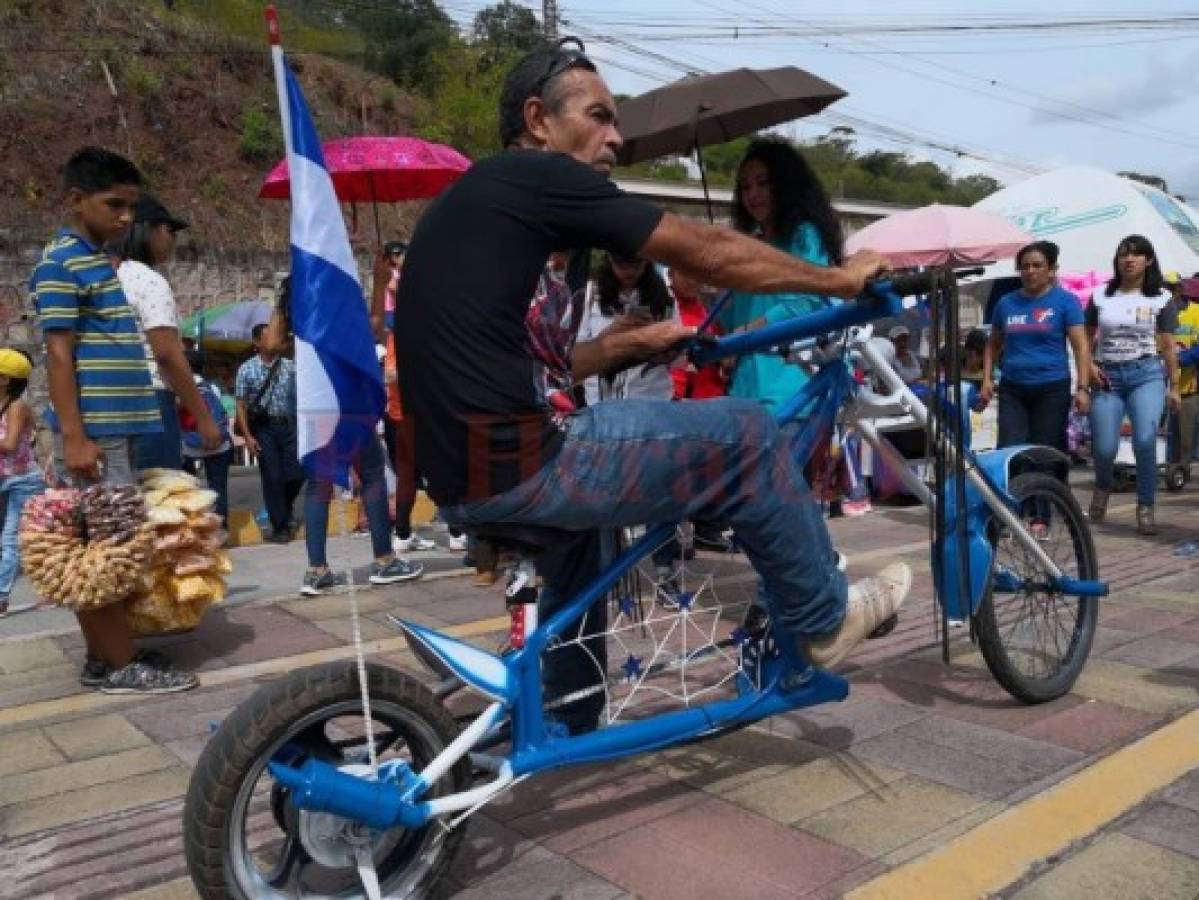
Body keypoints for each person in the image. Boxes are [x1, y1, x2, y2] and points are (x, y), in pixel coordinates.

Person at [394, 39, 910, 734]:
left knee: (583, 544)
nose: (615, 137)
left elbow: (533, 365)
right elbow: (705, 249)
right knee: (750, 434)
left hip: (467, 473)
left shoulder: (478, 202)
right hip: (526, 460)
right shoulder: (537, 177)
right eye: (599, 116)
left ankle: (569, 708)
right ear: (538, 120)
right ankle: (824, 616)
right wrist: (839, 280)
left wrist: (622, 346)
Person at [31, 147, 196, 693]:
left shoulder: (96, 261)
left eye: (130, 206)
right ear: (76, 201)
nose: (126, 217)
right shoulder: (62, 262)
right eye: (114, 205)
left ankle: (105, 656)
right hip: (96, 435)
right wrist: (75, 436)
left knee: (100, 550)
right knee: (107, 552)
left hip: (112, 431)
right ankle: (123, 666)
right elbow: (59, 354)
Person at [263, 261, 424, 596]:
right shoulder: (337, 295)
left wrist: (284, 299)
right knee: (372, 474)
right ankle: (384, 559)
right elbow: (374, 329)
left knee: (318, 484)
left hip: (312, 396)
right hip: (345, 396)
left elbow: (273, 343)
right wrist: (378, 285)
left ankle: (316, 570)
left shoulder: (300, 315)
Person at [720, 137, 844, 412]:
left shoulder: (805, 235)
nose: (753, 195)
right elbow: (732, 318)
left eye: (763, 183)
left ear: (785, 184)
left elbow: (805, 303)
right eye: (745, 187)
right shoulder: (748, 246)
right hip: (743, 390)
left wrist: (743, 333)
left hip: (791, 389)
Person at [115, 193, 223, 470]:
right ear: (147, 229)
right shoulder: (149, 281)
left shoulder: (107, 278)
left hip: (108, 401)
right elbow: (166, 354)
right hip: (151, 403)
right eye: (169, 230)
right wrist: (203, 416)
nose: (174, 239)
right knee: (160, 489)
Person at [1086, 234, 1182, 535]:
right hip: (1107, 378)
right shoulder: (1100, 295)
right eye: (1123, 254)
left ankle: (1146, 506)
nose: (1129, 260)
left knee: (1144, 440)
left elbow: (1168, 346)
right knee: (1104, 448)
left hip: (1146, 374)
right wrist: (1088, 366)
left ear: (1148, 260)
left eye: (1136, 254)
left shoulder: (1161, 298)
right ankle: (1102, 487)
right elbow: (1084, 338)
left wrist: (1175, 387)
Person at [978, 241, 1091, 459]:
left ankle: (1047, 483)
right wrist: (986, 380)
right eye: (1025, 266)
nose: (1030, 271)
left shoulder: (1066, 302)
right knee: (1009, 452)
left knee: (1046, 454)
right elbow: (992, 345)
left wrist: (1083, 388)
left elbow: (1081, 347)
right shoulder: (1005, 303)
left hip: (1052, 389)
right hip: (1013, 389)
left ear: (1051, 270)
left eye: (1037, 265)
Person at [235, 319, 304, 543]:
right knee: (272, 476)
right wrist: (248, 436)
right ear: (257, 342)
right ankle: (280, 526)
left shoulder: (290, 366)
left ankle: (283, 506)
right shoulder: (246, 369)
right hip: (264, 428)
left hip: (290, 426)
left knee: (297, 474)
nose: (275, 340)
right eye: (269, 336)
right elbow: (240, 404)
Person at [578, 252, 676, 405]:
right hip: (602, 400)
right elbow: (577, 350)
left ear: (646, 262)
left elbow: (677, 356)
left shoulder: (664, 295)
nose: (629, 271)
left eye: (636, 265)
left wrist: (656, 338)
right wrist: (611, 333)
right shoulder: (591, 293)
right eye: (621, 265)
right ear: (610, 260)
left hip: (651, 398)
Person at [0, 349, 45, 616]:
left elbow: (10, 444)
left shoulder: (17, 407)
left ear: (5, 379)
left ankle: (1, 598)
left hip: (22, 481)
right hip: (3, 478)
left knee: (11, 540)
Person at [181, 349, 233, 528]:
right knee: (218, 489)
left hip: (188, 447)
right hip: (219, 445)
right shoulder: (213, 388)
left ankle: (191, 528)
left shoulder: (179, 388)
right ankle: (221, 528)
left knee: (186, 490)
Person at [668, 267, 726, 401]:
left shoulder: (708, 311)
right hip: (677, 399)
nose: (692, 281)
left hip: (711, 399)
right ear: (671, 273)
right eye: (685, 273)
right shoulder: (662, 305)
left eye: (696, 274)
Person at [1175, 277, 1199, 464]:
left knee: (1186, 438)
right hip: (1156, 383)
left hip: (1188, 387)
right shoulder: (1153, 310)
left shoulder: (1195, 312)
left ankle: (1183, 468)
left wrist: (1182, 358)